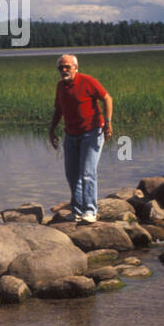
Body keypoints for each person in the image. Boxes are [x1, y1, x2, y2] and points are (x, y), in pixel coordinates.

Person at [47, 54, 113, 223]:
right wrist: (52, 130)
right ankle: (77, 211)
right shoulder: (60, 86)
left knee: (87, 173)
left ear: (76, 67)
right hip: (71, 134)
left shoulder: (88, 81)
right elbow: (58, 109)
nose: (63, 70)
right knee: (72, 174)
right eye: (61, 67)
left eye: (67, 67)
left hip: (92, 133)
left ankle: (90, 211)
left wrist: (108, 122)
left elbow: (107, 98)